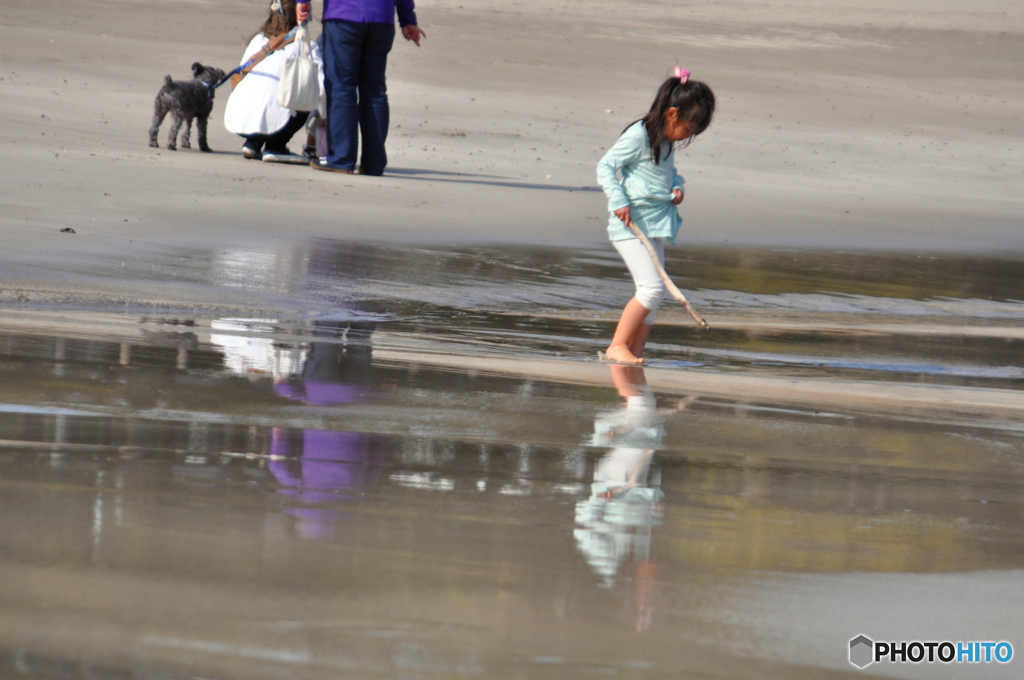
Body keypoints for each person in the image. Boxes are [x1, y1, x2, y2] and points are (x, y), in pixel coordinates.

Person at [596, 69, 715, 364]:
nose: (687, 136)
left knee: (656, 293)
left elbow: (666, 173)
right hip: (630, 224)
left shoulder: (666, 140)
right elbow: (605, 166)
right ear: (671, 114)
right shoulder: (639, 135)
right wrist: (619, 200)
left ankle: (635, 352)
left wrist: (676, 187)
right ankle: (617, 346)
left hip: (654, 222)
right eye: (688, 129)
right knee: (649, 289)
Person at [298, 0, 425, 175]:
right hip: (381, 18)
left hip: (344, 14)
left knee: (341, 87)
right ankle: (373, 164)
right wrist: (408, 19)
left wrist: (302, 3)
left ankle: (341, 159)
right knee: (375, 91)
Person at [223, 0, 325, 163]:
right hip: (278, 124)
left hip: (240, 119)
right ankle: (275, 146)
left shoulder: (258, 40)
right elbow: (322, 90)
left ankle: (253, 142)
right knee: (305, 91)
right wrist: (324, 117)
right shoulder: (307, 46)